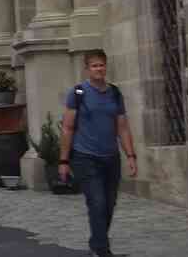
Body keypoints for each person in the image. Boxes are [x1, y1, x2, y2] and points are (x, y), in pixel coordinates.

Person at [59, 50, 137, 257]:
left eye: (101, 65)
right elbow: (67, 127)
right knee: (97, 202)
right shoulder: (78, 93)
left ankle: (96, 243)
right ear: (87, 69)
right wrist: (64, 160)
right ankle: (102, 250)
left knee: (109, 205)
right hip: (85, 157)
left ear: (106, 67)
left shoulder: (115, 93)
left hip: (111, 157)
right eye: (94, 65)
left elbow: (122, 127)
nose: (99, 69)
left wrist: (130, 156)